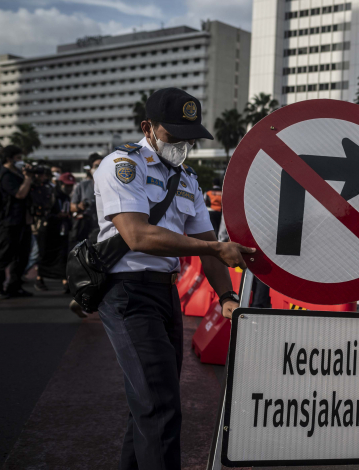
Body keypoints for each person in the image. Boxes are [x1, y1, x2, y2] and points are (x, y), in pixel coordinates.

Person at [93, 87, 255, 469]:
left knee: (148, 405)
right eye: (175, 135)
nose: (183, 144)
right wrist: (214, 250)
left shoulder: (187, 179)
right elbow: (138, 235)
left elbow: (206, 241)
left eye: (190, 137)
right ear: (147, 128)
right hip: (127, 294)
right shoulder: (122, 165)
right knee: (160, 406)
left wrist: (227, 295)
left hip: (166, 299)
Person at [0, 145, 35, 299]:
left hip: (22, 221)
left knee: (22, 256)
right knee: (4, 256)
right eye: (18, 158)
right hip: (9, 222)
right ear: (9, 158)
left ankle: (14, 287)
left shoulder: (17, 174)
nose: (21, 161)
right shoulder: (5, 176)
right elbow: (20, 194)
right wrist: (28, 177)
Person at [36, 172, 74, 291]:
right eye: (67, 185)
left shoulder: (66, 197)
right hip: (48, 231)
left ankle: (65, 281)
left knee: (62, 255)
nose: (69, 188)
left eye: (71, 185)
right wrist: (58, 216)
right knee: (45, 255)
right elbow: (44, 213)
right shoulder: (51, 195)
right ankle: (39, 278)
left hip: (62, 230)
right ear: (60, 184)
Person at [28, 166, 56, 291]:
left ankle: (39, 278)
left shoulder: (47, 188)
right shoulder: (31, 186)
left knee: (39, 252)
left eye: (42, 174)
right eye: (38, 174)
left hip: (43, 222)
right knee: (35, 253)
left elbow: (50, 203)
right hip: (32, 223)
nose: (40, 177)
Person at [70, 152, 103, 247]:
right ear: (90, 169)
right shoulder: (82, 186)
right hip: (86, 230)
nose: (98, 168)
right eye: (96, 166)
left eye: (101, 165)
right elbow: (72, 207)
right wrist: (80, 206)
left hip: (103, 230)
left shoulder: (111, 186)